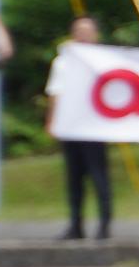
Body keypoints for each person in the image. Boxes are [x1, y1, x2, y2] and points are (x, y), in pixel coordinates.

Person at [44, 15, 110, 240]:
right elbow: (55, 93)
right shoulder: (63, 61)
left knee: (99, 176)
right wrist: (52, 120)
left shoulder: (104, 60)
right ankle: (76, 224)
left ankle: (104, 224)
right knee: (74, 178)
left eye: (87, 31)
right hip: (72, 125)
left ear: (95, 35)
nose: (83, 35)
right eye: (79, 31)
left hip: (95, 127)